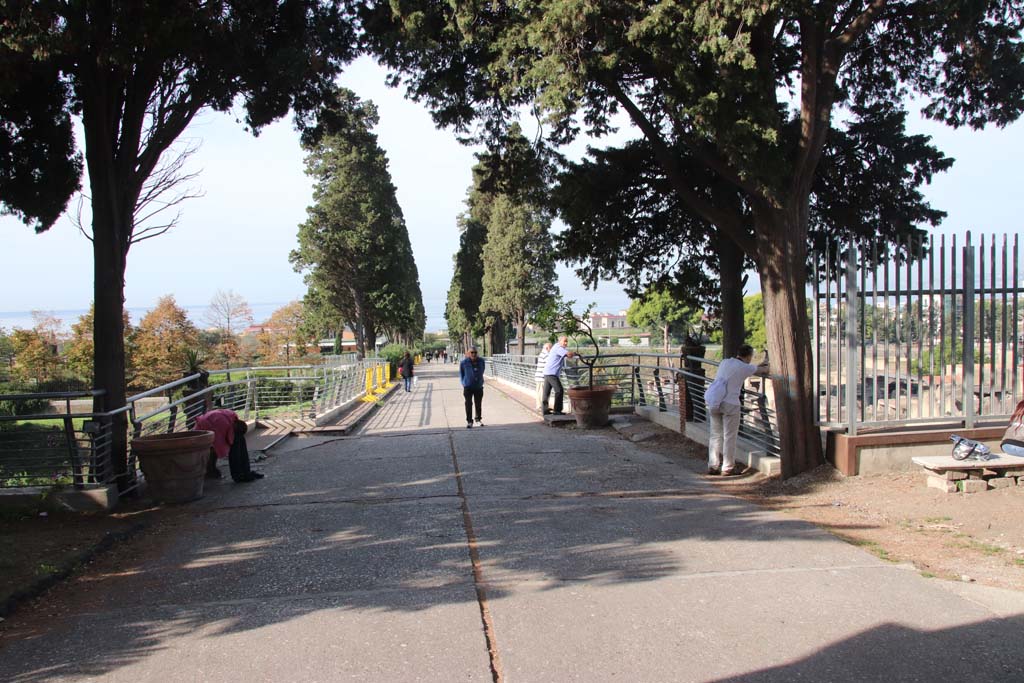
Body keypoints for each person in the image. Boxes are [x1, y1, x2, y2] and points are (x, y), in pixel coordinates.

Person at [703, 344, 770, 476]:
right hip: (731, 404)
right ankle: (728, 467)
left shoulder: (725, 362)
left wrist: (761, 363)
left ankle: (713, 465)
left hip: (715, 401)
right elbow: (764, 370)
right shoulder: (745, 367)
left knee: (715, 435)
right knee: (729, 436)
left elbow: (755, 367)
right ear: (749, 356)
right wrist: (768, 364)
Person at [195, 408, 264, 483]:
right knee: (233, 445)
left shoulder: (233, 417)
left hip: (213, 423)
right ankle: (237, 475)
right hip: (203, 429)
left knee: (239, 440)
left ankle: (245, 472)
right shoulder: (224, 424)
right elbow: (218, 446)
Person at [541, 335, 576, 416]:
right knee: (559, 390)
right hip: (551, 373)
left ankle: (545, 411)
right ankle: (557, 411)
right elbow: (569, 355)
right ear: (559, 341)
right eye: (564, 341)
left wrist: (570, 353)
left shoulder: (556, 347)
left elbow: (567, 355)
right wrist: (574, 353)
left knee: (546, 392)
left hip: (547, 372)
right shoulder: (559, 348)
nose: (566, 343)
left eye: (567, 341)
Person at [459, 347, 485, 428]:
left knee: (478, 404)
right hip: (468, 387)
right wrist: (463, 383)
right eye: (472, 352)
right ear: (468, 353)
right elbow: (461, 374)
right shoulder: (464, 362)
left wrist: (479, 380)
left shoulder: (481, 361)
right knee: (468, 404)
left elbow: (483, 370)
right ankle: (469, 421)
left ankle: (478, 419)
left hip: (478, 386)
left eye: (475, 352)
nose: (474, 354)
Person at [534, 342, 552, 412]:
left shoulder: (542, 354)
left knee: (539, 392)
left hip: (539, 376)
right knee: (542, 393)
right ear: (547, 348)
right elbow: (550, 363)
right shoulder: (546, 354)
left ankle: (540, 406)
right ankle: (541, 407)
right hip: (541, 377)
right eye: (551, 348)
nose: (551, 350)